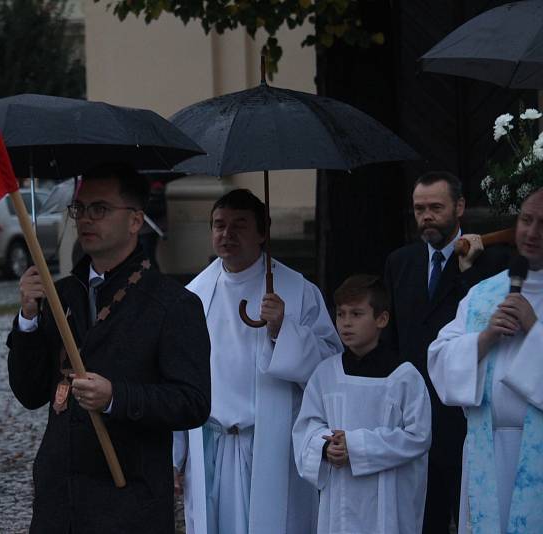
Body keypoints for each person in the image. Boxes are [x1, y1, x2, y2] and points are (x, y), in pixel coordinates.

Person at [7, 162, 211, 533]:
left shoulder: (173, 304)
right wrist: (28, 318)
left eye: (99, 209)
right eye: (79, 209)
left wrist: (116, 397)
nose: (85, 219)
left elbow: (192, 402)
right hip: (60, 500)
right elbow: (30, 392)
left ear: (135, 220)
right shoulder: (60, 294)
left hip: (127, 500)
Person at [174, 189, 342, 534]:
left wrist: (285, 329)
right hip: (213, 446)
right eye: (219, 225)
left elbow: (330, 370)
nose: (227, 234)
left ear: (263, 232)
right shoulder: (193, 295)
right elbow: (178, 377)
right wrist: (175, 457)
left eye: (239, 225)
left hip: (273, 447)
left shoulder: (298, 291)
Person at [383, 171, 509, 533]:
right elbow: (393, 337)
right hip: (414, 411)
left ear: (460, 207)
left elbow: (479, 324)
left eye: (436, 207)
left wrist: (467, 273)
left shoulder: (492, 262)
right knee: (422, 519)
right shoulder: (400, 262)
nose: (426, 217)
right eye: (419, 209)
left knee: (468, 513)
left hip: (463, 411)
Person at [428, 188, 543, 534]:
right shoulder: (483, 294)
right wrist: (485, 337)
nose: (532, 232)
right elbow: (439, 358)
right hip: (485, 450)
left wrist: (533, 328)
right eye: (526, 220)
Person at [293, 274, 431, 534]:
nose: (345, 323)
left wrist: (355, 447)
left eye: (356, 314)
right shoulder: (326, 374)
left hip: (389, 500)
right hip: (339, 500)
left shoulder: (404, 376)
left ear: (381, 319)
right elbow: (306, 426)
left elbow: (419, 437)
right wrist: (324, 447)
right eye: (341, 314)